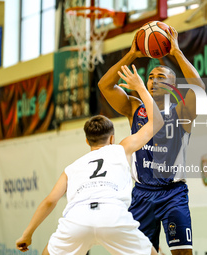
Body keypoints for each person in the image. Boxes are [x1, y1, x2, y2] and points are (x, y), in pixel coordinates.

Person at [16, 65, 163, 255]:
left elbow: (50, 201)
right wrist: (140, 88)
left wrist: (27, 234)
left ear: (87, 140)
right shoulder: (121, 149)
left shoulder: (72, 168)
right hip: (113, 216)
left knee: (46, 253)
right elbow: (157, 122)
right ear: (112, 138)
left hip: (77, 218)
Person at [98, 26, 205, 255]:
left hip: (172, 193)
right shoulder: (135, 107)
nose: (154, 80)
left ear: (173, 86)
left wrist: (176, 52)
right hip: (142, 193)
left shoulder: (183, 112)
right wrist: (132, 54)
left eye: (161, 76)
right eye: (150, 77)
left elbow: (200, 89)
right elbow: (104, 86)